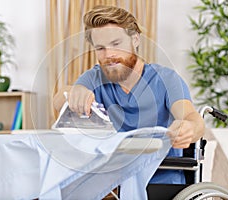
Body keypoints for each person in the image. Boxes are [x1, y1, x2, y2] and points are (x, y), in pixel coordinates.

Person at [54, 5, 205, 185]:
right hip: (112, 184)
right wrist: (72, 92)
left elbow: (191, 117)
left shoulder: (166, 79)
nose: (109, 54)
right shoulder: (94, 78)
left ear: (135, 39)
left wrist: (188, 128)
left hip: (161, 182)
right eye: (100, 48)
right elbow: (58, 101)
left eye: (116, 44)